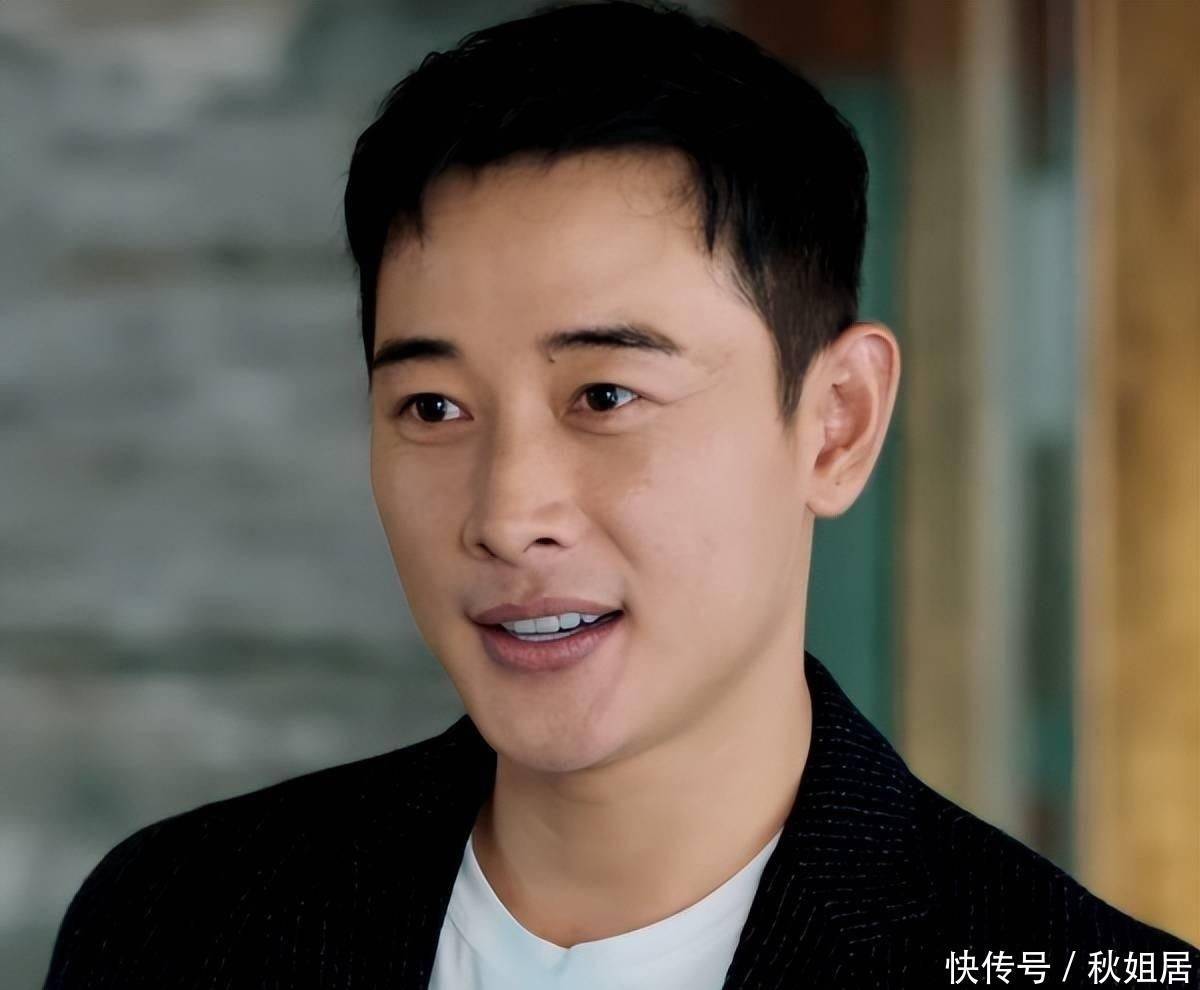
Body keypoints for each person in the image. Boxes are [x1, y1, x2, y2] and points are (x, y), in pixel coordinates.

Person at [42, 2, 1198, 987]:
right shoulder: (173, 924)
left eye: (604, 395)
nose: (507, 516)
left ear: (836, 422)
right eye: (433, 407)